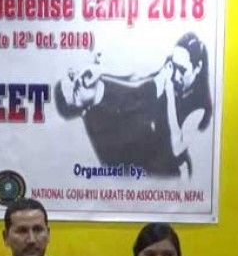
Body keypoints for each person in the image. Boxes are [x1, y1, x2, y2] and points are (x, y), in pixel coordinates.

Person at [55, 32, 213, 179]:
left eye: (72, 77)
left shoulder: (201, 106)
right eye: (75, 91)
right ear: (83, 110)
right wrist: (168, 88)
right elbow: (142, 85)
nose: (78, 80)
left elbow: (138, 73)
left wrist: (101, 70)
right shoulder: (102, 125)